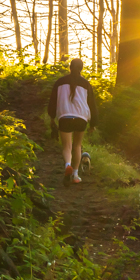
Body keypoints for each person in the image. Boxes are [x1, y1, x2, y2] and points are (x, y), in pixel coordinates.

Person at [48, 58, 98, 186]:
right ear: (81, 68)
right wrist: (93, 124)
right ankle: (75, 175)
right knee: (77, 146)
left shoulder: (60, 82)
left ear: (70, 67)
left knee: (67, 146)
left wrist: (52, 118)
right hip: (81, 117)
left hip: (64, 116)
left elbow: (53, 101)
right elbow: (92, 104)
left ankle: (67, 166)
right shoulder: (86, 84)